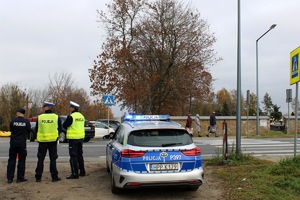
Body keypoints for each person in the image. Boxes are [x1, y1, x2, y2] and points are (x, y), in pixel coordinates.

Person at [35, 101, 62, 182]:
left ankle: (38, 177)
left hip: (42, 140)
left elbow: (36, 129)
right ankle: (54, 177)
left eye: (44, 107)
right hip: (53, 140)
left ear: (46, 107)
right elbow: (60, 128)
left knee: (40, 159)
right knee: (53, 159)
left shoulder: (40, 117)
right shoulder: (56, 117)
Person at [7, 108, 31, 183]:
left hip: (13, 143)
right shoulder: (26, 122)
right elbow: (28, 130)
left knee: (11, 160)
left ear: (18, 113)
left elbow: (11, 129)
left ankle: (10, 178)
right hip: (22, 144)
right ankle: (20, 177)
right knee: (21, 160)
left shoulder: (13, 121)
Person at [63, 101, 86, 179]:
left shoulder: (71, 116)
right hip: (80, 138)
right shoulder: (81, 116)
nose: (69, 108)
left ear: (73, 108)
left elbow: (65, 125)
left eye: (70, 107)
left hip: (73, 138)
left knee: (73, 156)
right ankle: (82, 171)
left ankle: (75, 173)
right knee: (80, 155)